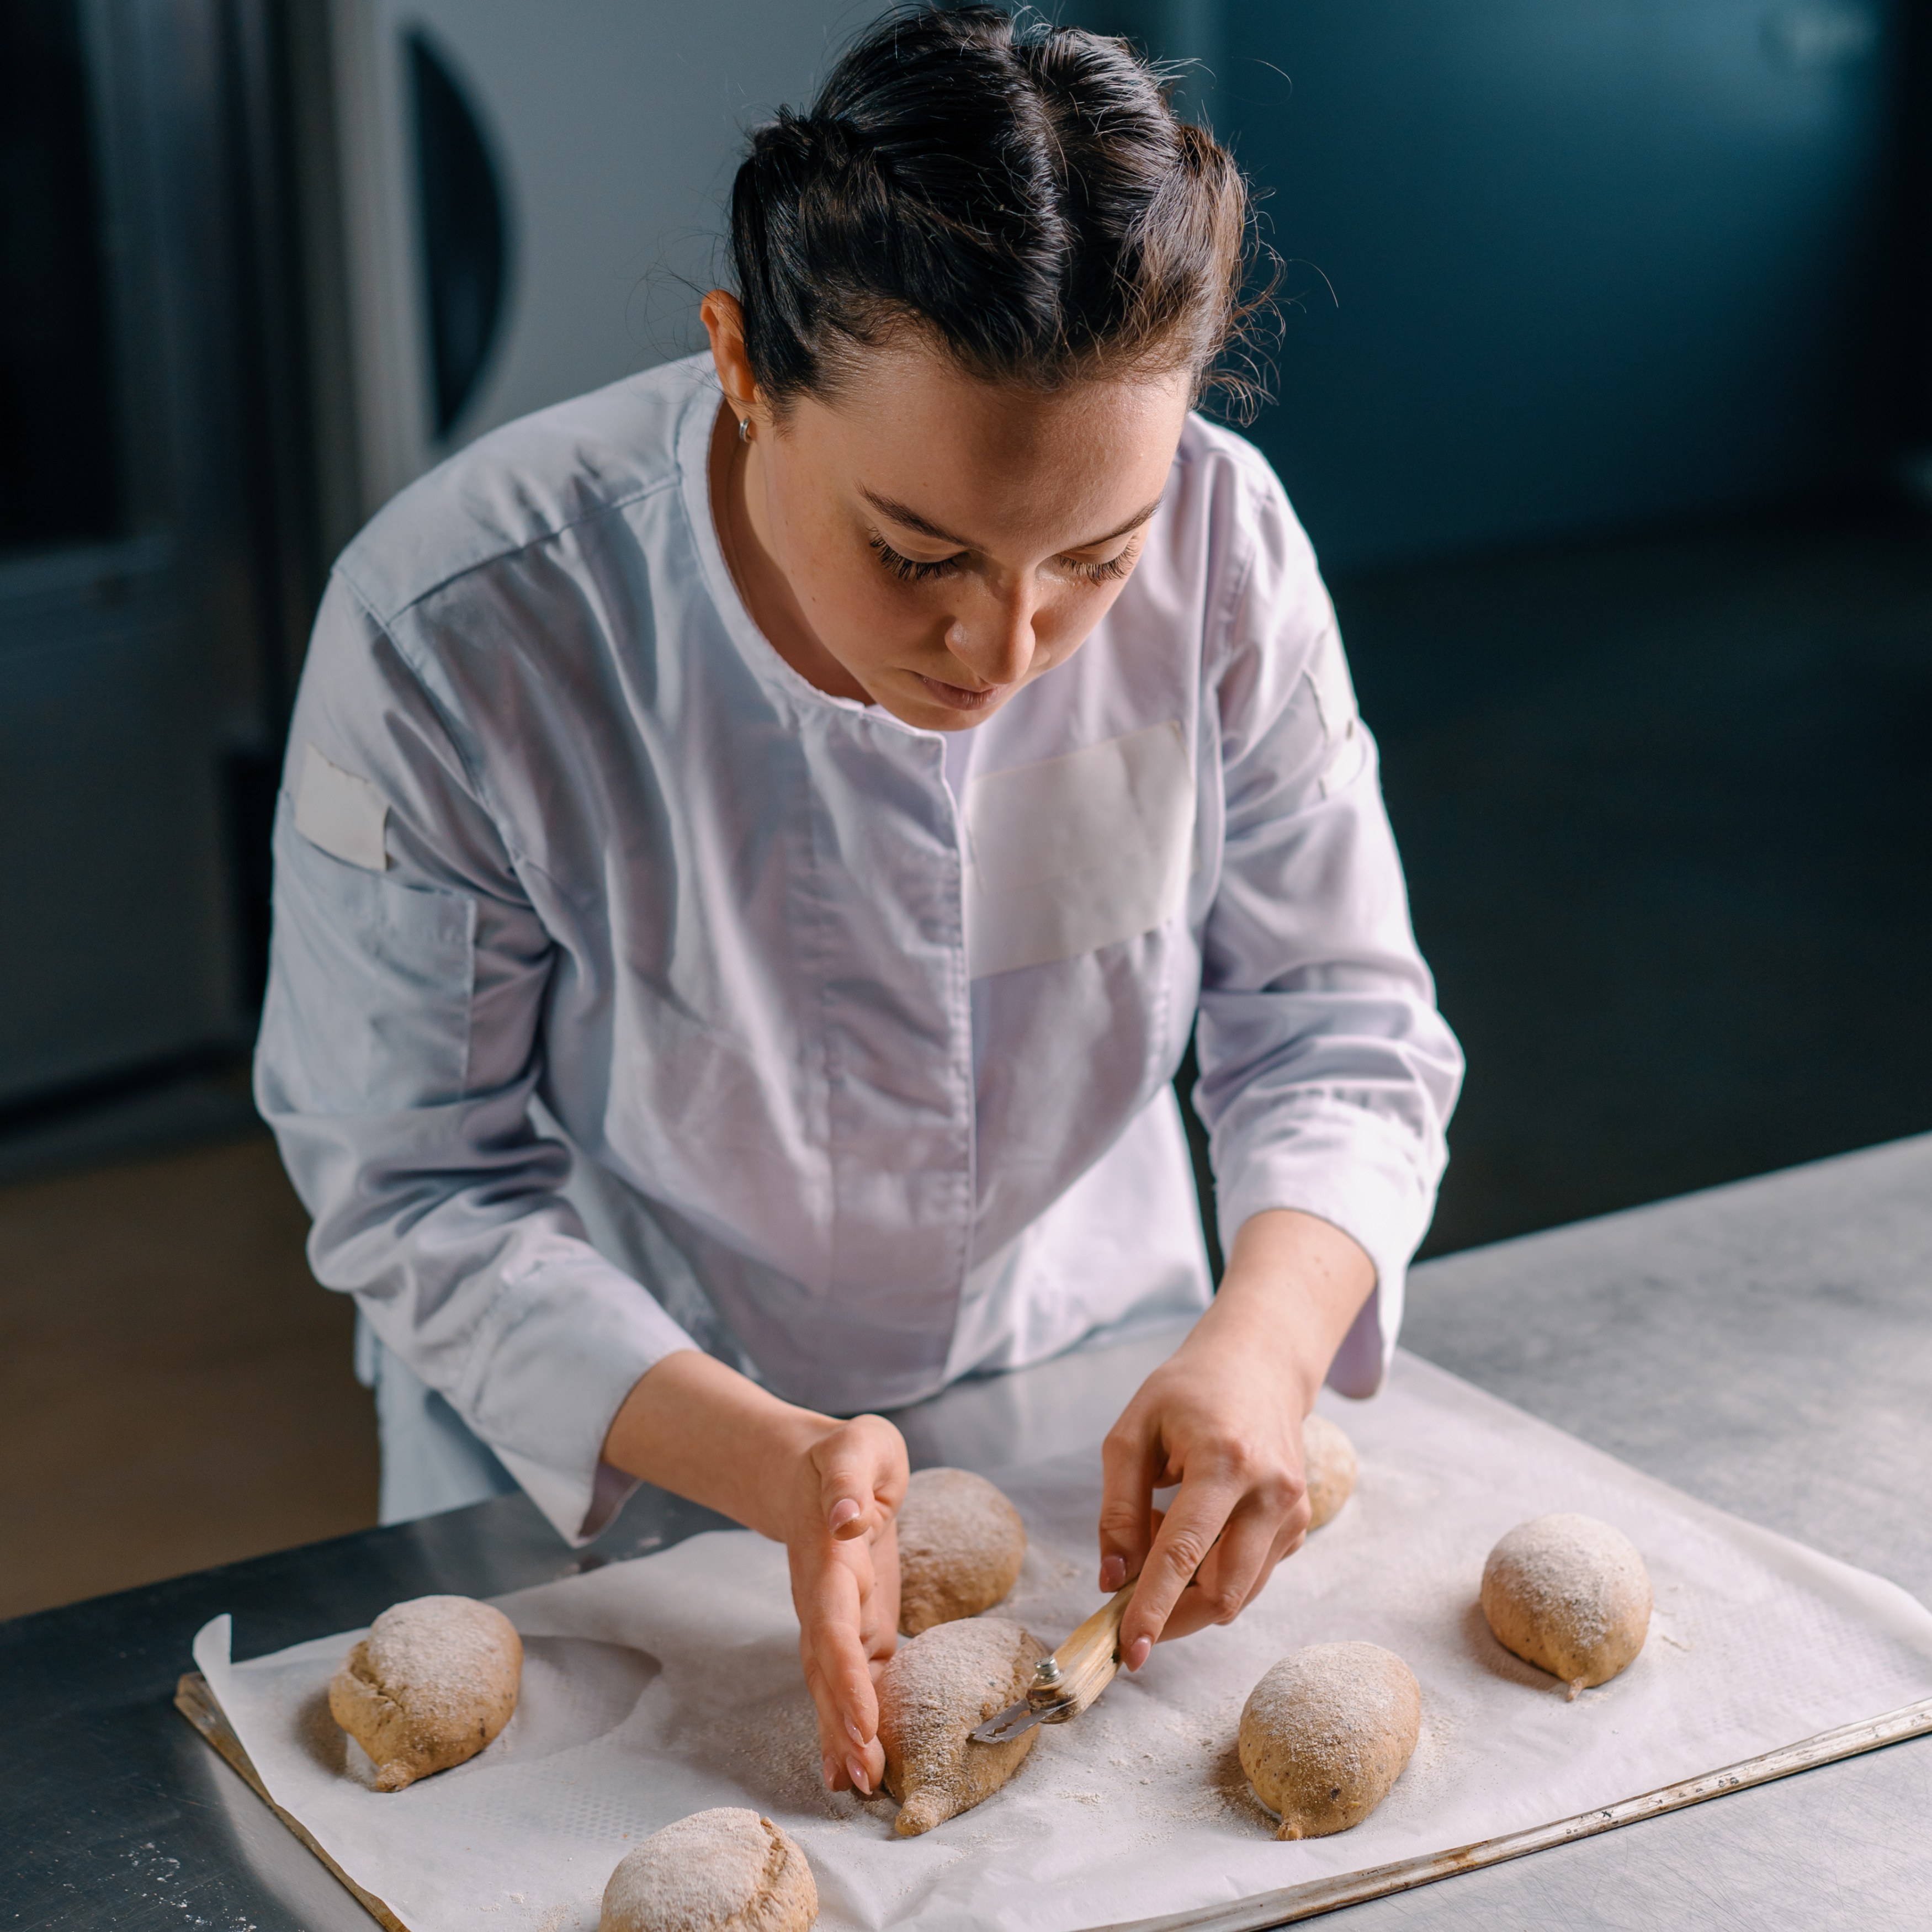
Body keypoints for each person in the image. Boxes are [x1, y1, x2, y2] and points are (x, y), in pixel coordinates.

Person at [257, 4, 1461, 1803]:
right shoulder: (461, 627)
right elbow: (412, 1175)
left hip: (1085, 1401)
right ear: (743, 368)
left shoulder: (1228, 544)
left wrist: (1264, 1343)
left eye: (1092, 564)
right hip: (615, 1439)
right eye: (917, 554)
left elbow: (1340, 1028)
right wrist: (769, 1463)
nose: (1004, 648)